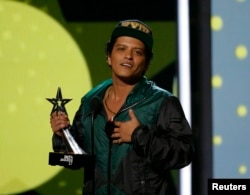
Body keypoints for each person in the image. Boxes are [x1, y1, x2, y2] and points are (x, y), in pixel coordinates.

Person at [50, 19, 194, 195]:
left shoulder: (162, 102)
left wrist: (139, 136)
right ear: (109, 56)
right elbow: (76, 160)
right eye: (121, 49)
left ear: (147, 62)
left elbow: (184, 154)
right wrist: (62, 134)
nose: (128, 56)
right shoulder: (91, 101)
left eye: (137, 52)